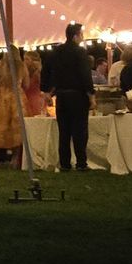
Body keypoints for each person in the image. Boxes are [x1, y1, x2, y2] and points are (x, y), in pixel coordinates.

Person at [41, 22, 95, 171]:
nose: (83, 37)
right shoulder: (80, 52)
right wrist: (91, 94)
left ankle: (65, 163)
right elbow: (85, 75)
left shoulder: (56, 52)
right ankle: (81, 163)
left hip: (62, 96)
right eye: (82, 34)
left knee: (64, 132)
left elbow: (45, 70)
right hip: (77, 95)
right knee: (79, 131)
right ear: (76, 36)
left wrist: (46, 90)